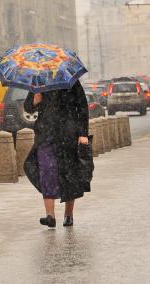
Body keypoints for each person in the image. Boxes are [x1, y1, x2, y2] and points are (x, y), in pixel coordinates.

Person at [23, 80, 90, 228]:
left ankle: (68, 214)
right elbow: (28, 107)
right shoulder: (38, 82)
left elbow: (82, 107)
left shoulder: (70, 81)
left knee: (69, 175)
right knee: (47, 172)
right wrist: (35, 100)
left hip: (68, 134)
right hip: (45, 135)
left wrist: (83, 133)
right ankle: (50, 216)